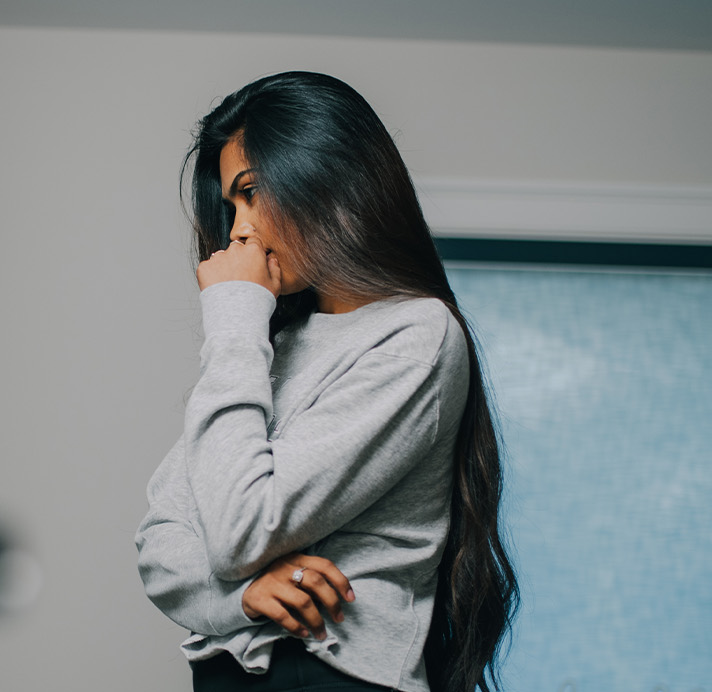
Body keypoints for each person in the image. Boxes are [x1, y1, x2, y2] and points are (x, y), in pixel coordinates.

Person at [134, 71, 518, 692]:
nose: (236, 230)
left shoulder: (415, 334)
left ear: (323, 175)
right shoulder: (269, 347)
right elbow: (159, 543)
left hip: (333, 674)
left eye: (251, 193)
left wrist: (234, 317)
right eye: (231, 206)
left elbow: (240, 531)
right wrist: (242, 596)